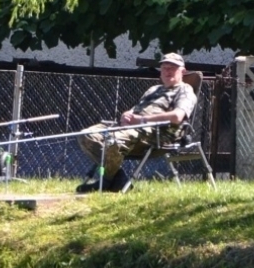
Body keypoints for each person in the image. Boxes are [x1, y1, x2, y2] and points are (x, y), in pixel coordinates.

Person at [76, 52, 197, 193]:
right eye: (164, 68)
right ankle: (118, 179)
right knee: (86, 135)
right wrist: (127, 115)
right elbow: (136, 110)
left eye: (172, 68)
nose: (167, 71)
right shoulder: (153, 90)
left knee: (112, 141)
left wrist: (141, 120)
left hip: (157, 134)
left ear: (183, 71)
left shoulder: (185, 90)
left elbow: (177, 117)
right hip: (131, 128)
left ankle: (106, 181)